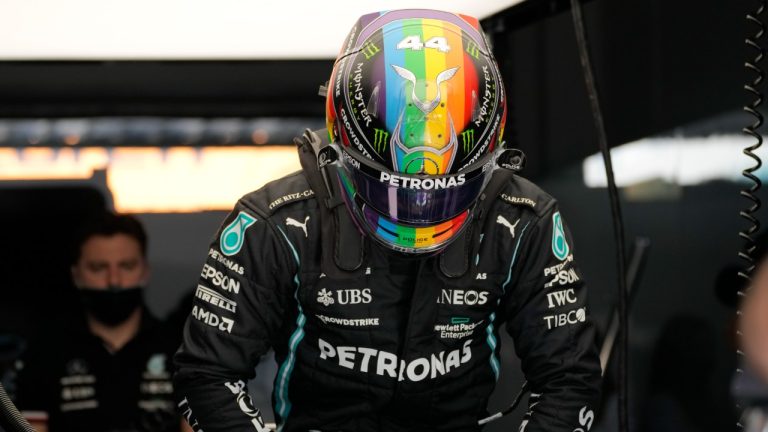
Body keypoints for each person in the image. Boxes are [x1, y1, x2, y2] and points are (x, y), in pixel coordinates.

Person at [174, 9, 602, 432]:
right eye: (395, 187)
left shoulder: (524, 220)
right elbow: (207, 375)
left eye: (445, 189)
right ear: (345, 146)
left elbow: (569, 379)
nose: (418, 208)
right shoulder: (274, 223)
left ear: (489, 157)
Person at [15, 212, 185, 432]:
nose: (114, 281)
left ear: (145, 271)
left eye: (126, 266)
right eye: (98, 268)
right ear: (76, 275)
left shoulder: (182, 351)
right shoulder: (44, 354)